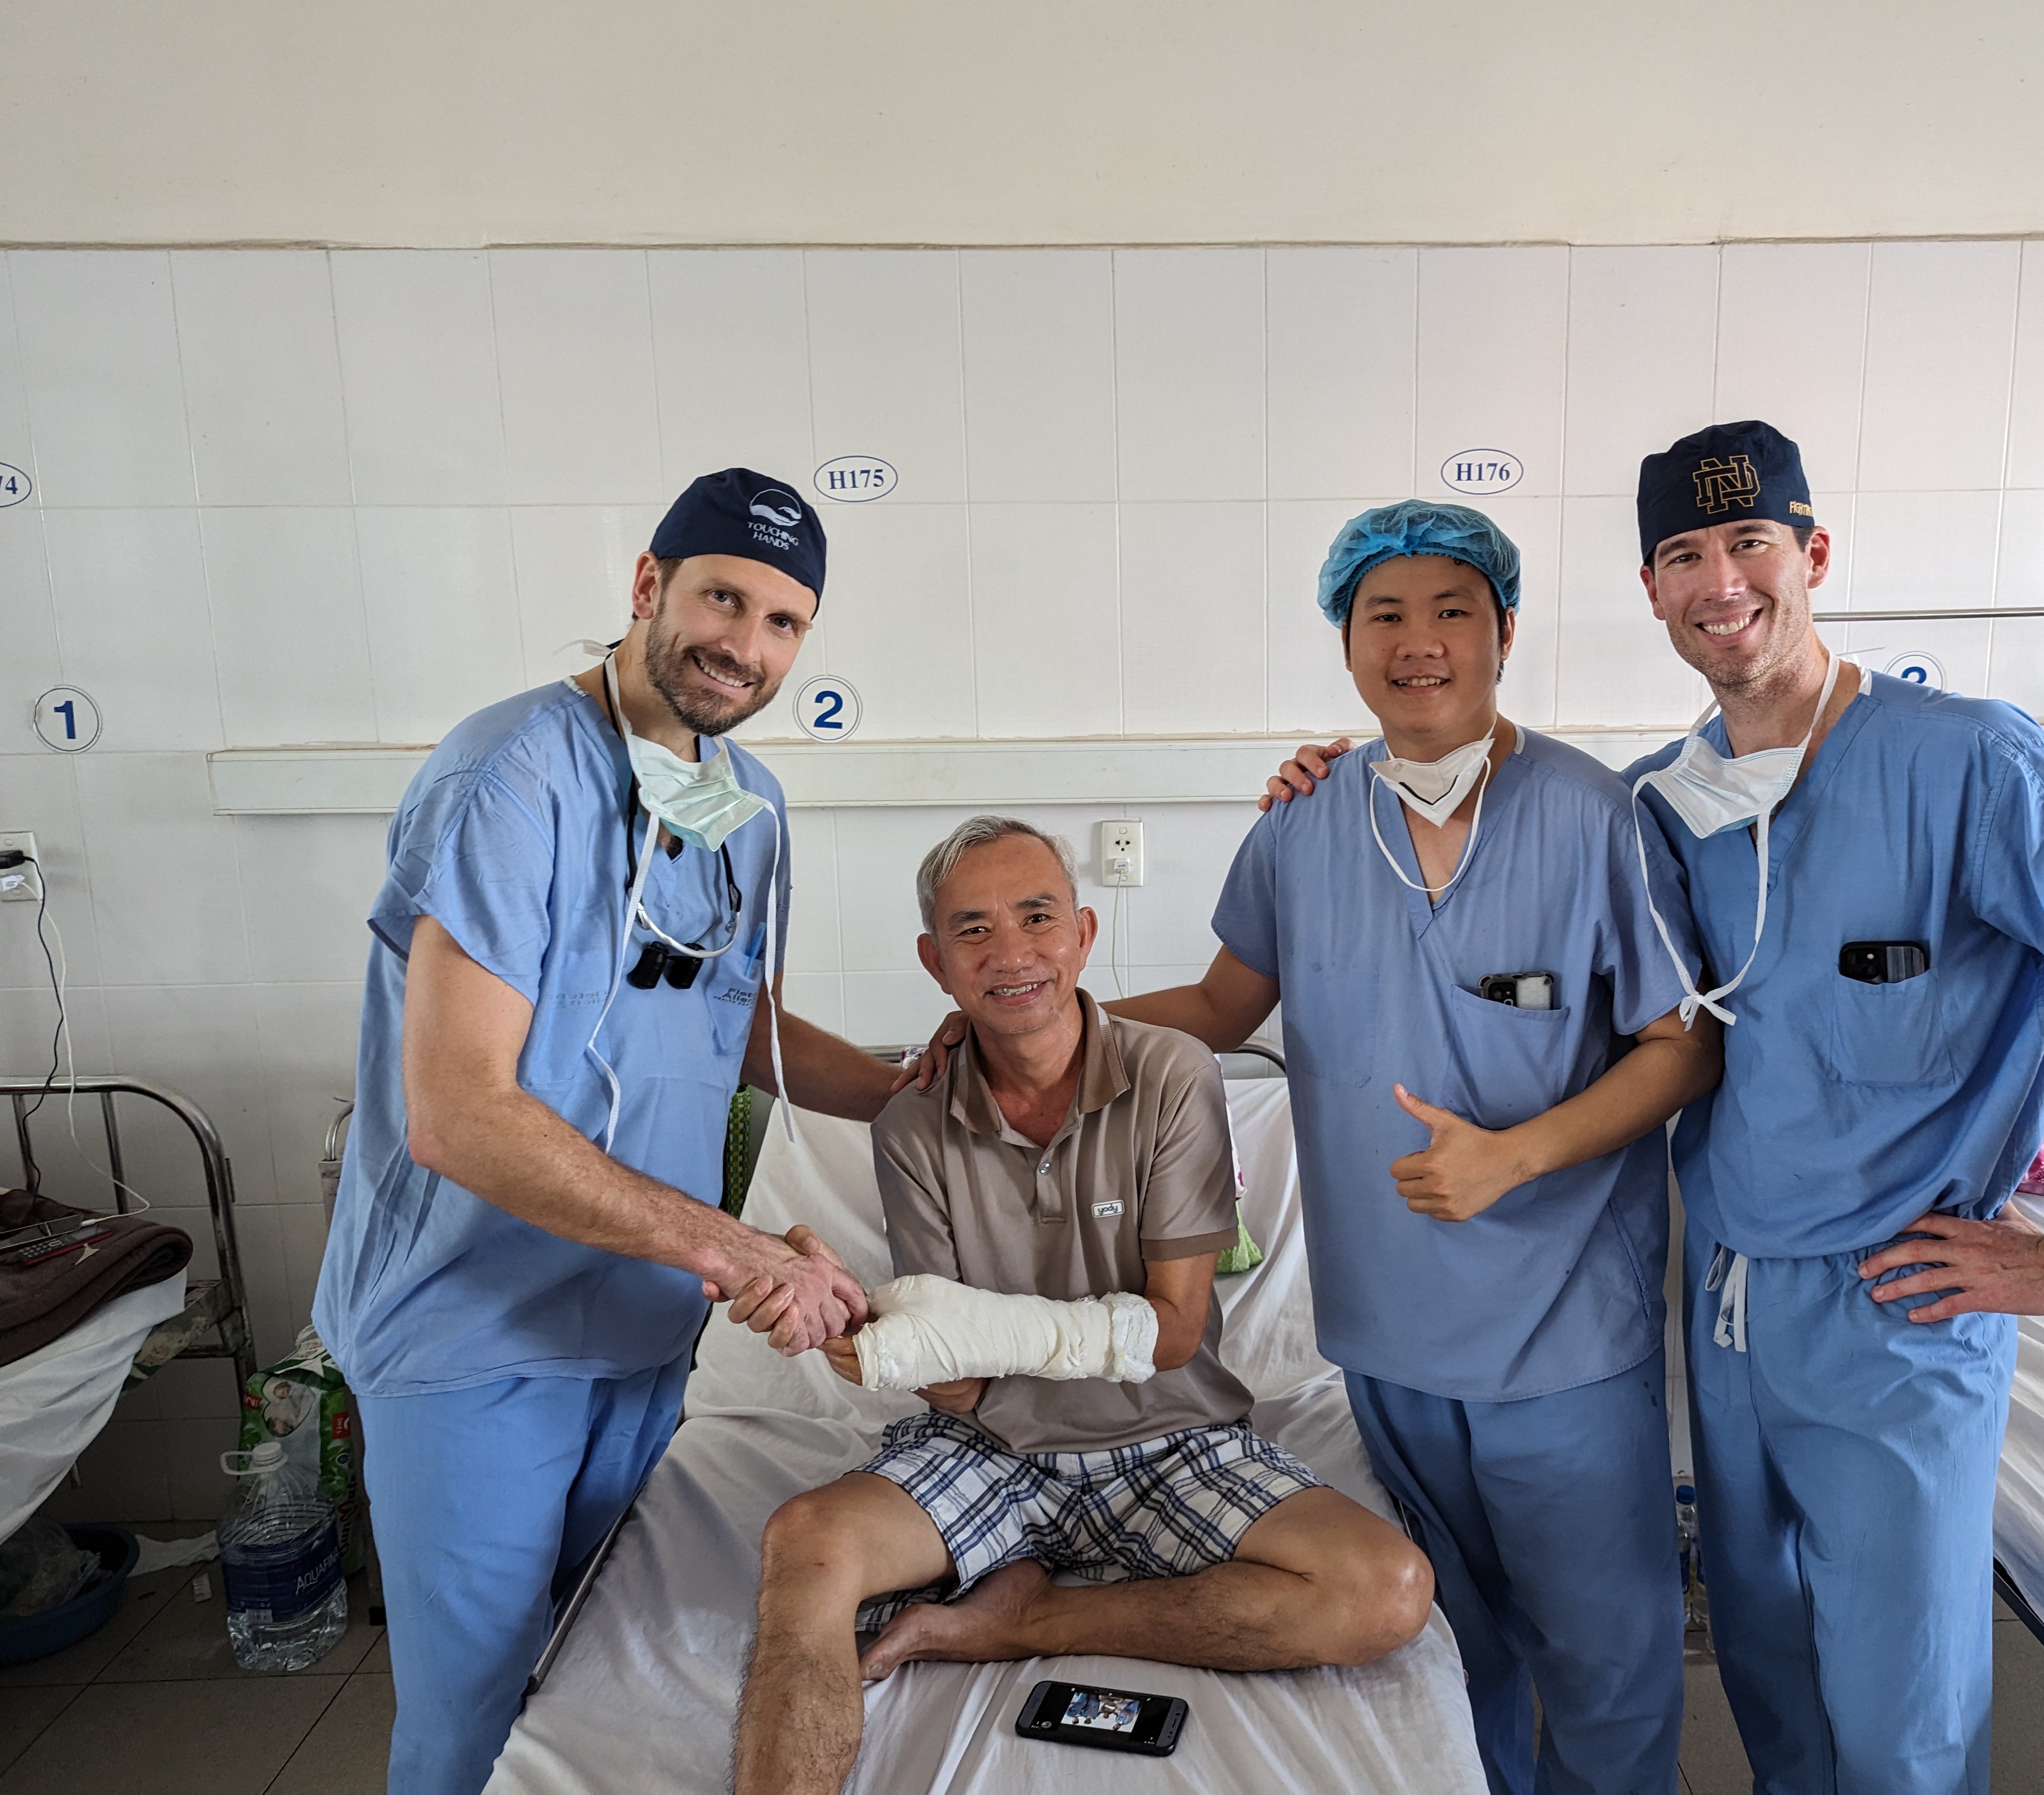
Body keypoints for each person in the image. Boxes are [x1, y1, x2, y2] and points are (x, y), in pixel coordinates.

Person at [1268, 426, 2044, 1794]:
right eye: (1685, 554)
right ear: (1652, 586)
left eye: (1750, 545)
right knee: (1768, 1680)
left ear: (1812, 555)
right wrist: (1329, 775)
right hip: (1730, 1300)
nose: (1720, 581)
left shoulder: (1974, 764)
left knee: (1902, 1717)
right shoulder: (1663, 807)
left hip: (1901, 1311)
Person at [1084, 502, 1722, 1795]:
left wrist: (1514, 1157)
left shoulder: (1597, 819)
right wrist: (1036, 1019)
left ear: (1501, 634)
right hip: (1386, 1336)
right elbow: (1222, 1010)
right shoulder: (1305, 825)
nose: (1419, 642)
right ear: (1346, 639)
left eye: (1453, 613)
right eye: (1386, 614)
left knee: (1605, 1664)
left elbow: (1683, 1046)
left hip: (1561, 1337)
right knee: (1457, 1660)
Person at [314, 469, 901, 1795]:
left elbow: (732, 1024)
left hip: (637, 1324)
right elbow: (460, 1115)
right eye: (721, 600)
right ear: (649, 588)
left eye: (784, 621)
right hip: (475, 1328)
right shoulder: (508, 776)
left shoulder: (742, 801)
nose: (746, 646)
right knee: (475, 1723)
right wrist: (743, 1253)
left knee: (592, 1687)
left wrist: (926, 1085)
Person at [732, 817, 1432, 1795]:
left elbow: (1175, 1330)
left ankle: (1030, 1618)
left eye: (1037, 917)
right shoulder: (912, 1120)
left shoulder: (1173, 1073)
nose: (1012, 953)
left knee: (1386, 1593)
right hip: (990, 1448)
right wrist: (855, 1324)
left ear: (1085, 934)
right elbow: (959, 1379)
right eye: (972, 932)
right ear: (935, 964)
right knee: (802, 1547)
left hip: (1175, 1435)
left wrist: (951, 1337)